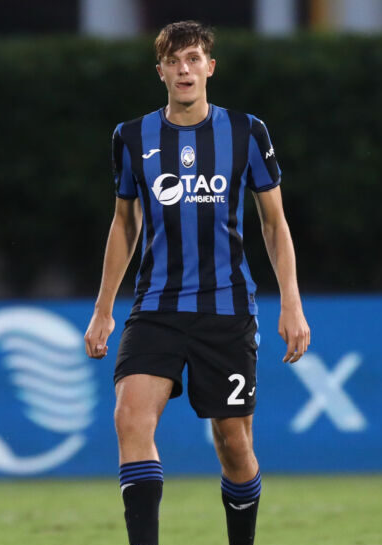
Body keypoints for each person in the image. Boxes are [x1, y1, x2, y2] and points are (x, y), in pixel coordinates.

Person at [83, 20, 310, 545]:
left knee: (234, 444)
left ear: (210, 67)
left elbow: (274, 223)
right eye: (173, 61)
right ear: (160, 71)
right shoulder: (131, 136)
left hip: (226, 309)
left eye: (193, 59)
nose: (184, 70)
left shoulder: (246, 132)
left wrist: (292, 304)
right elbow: (125, 223)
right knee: (130, 420)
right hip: (156, 308)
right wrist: (103, 309)